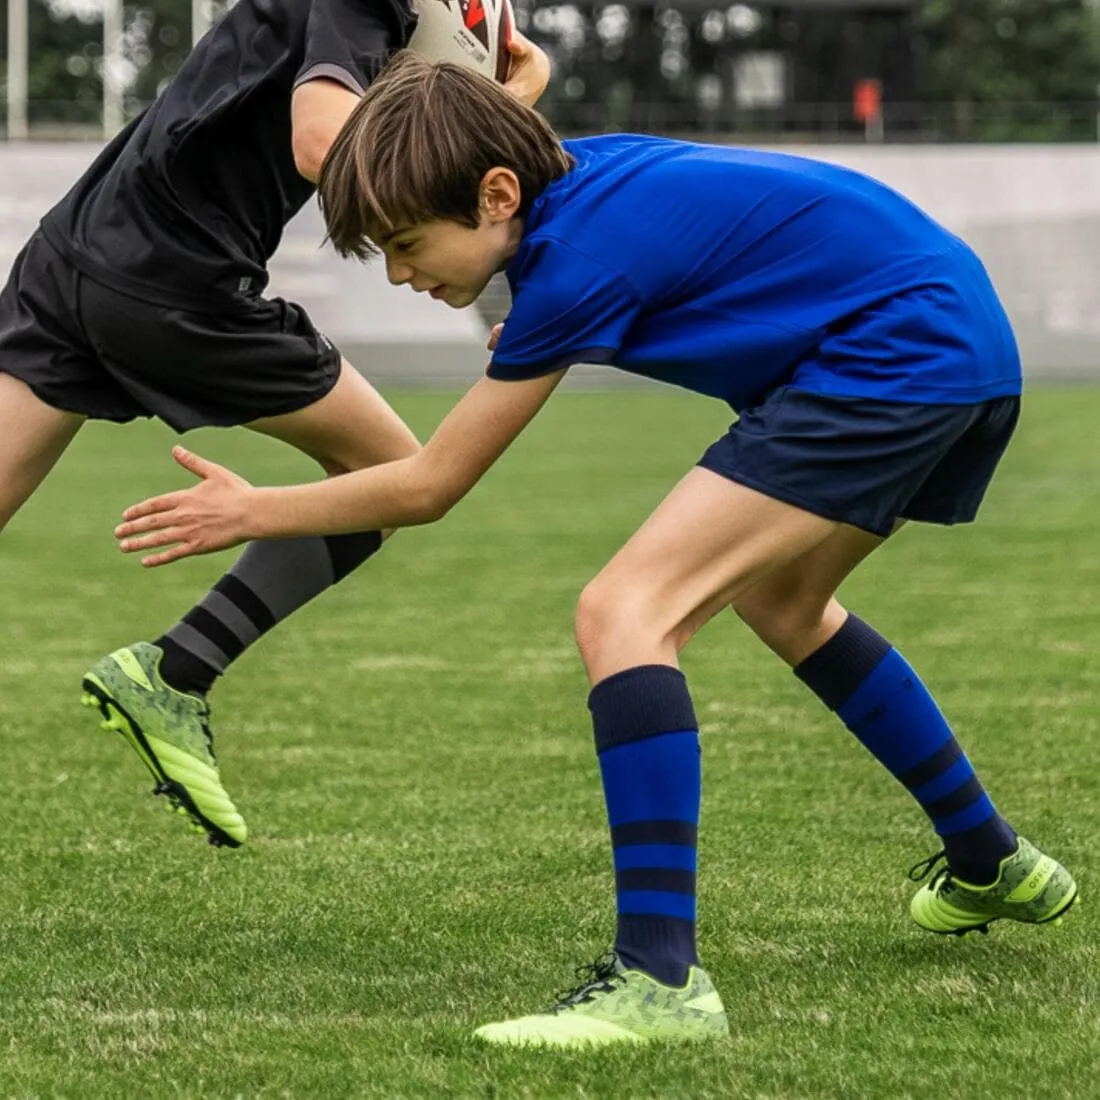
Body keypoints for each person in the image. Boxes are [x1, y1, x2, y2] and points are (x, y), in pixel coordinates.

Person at [112, 52, 1078, 1047]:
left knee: (624, 611)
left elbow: (431, 485)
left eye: (406, 244)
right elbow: (548, 208)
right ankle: (989, 859)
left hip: (889, 353)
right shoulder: (564, 193)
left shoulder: (573, 260)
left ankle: (659, 979)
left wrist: (252, 508)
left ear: (493, 194)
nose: (401, 273)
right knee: (782, 603)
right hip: (946, 334)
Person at [0, 4, 549, 848]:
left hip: (72, 253)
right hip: (177, 282)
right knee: (393, 477)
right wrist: (506, 112)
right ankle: (174, 673)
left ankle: (173, 675)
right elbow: (323, 141)